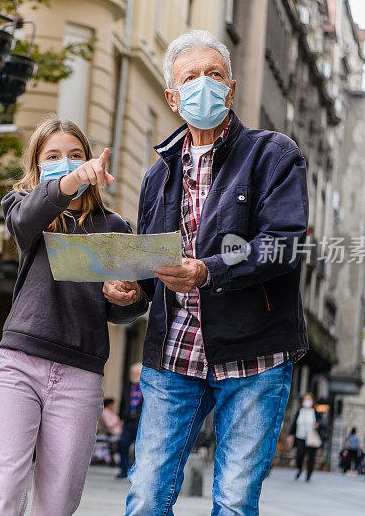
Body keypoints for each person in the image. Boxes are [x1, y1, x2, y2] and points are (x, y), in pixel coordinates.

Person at [114, 29, 309, 515]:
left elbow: (284, 244)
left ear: (232, 87)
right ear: (172, 97)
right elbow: (148, 270)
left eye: (214, 74)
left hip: (255, 353)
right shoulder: (158, 174)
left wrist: (209, 271)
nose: (205, 85)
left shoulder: (273, 154)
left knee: (236, 500)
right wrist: (125, 295)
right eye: (191, 77)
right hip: (174, 350)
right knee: (145, 495)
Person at [0, 117, 148, 515]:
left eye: (76, 156)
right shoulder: (23, 208)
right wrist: (69, 181)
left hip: (80, 373)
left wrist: (128, 295)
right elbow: (23, 220)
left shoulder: (115, 227)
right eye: (53, 156)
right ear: (36, 167)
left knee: (58, 500)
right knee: (1, 486)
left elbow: (130, 308)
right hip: (19, 363)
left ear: (91, 161)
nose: (67, 163)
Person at [286, 393, 323, 481]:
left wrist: (318, 425)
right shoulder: (300, 411)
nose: (307, 401)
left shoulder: (315, 413)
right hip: (300, 436)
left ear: (313, 401)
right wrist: (290, 434)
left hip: (311, 437)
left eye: (309, 400)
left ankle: (308, 474)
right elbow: (294, 424)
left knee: (311, 457)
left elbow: (322, 423)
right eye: (306, 399)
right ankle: (299, 468)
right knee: (299, 454)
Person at [117, 363, 143, 479]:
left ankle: (138, 473)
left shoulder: (147, 386)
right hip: (128, 421)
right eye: (132, 373)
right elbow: (123, 402)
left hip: (141, 422)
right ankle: (123, 469)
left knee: (140, 448)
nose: (132, 375)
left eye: (135, 373)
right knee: (122, 443)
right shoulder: (128, 385)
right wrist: (121, 417)